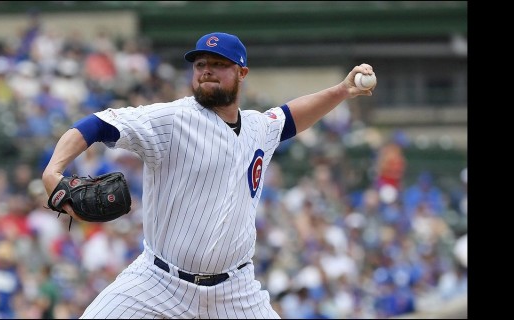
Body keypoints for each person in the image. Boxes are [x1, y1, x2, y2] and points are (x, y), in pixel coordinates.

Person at [42, 31, 376, 319]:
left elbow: (290, 117)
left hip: (235, 290)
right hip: (158, 280)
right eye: (200, 64)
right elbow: (97, 124)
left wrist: (342, 91)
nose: (206, 72)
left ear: (241, 72)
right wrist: (54, 170)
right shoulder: (172, 119)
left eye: (218, 64)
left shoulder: (258, 127)